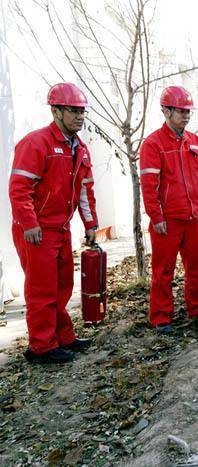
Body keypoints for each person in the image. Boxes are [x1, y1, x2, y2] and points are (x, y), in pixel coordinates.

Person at [9, 83, 98, 363]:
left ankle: (63, 337)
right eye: (73, 111)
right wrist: (29, 223)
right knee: (42, 289)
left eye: (82, 111)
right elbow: (19, 188)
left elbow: (85, 189)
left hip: (61, 228)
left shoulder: (79, 148)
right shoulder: (36, 143)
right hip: (37, 229)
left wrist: (90, 224)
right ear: (56, 111)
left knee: (62, 287)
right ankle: (41, 347)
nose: (79, 117)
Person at [139, 86, 198, 333]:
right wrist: (156, 215)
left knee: (195, 266)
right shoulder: (153, 144)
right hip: (168, 221)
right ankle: (161, 316)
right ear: (165, 110)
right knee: (163, 270)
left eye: (188, 112)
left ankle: (197, 307)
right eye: (180, 111)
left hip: (194, 218)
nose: (186, 116)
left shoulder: (196, 143)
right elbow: (149, 185)